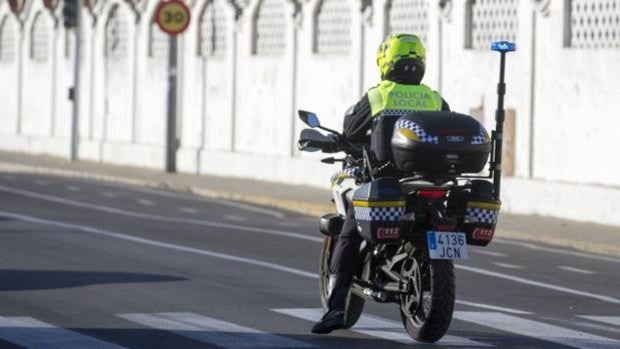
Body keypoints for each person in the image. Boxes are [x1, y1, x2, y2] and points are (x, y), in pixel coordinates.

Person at [311, 33, 451, 334]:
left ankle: (335, 308)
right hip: (430, 183)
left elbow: (350, 132)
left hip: (386, 182)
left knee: (348, 234)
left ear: (386, 62)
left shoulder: (379, 95)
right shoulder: (434, 98)